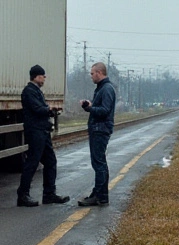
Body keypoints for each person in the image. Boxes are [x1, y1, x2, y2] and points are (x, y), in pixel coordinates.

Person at [17, 64, 70, 207]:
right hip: (35, 132)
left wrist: (49, 110)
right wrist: (48, 109)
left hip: (42, 131)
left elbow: (40, 108)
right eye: (42, 76)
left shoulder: (36, 91)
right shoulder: (29, 91)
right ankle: (22, 195)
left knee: (51, 161)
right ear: (36, 76)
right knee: (32, 162)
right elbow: (36, 109)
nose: (44, 78)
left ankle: (49, 194)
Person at [78, 62, 115, 207]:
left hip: (100, 129)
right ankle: (101, 195)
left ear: (99, 73)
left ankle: (99, 195)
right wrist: (90, 106)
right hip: (99, 128)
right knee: (100, 163)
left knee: (98, 163)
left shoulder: (106, 89)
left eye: (92, 73)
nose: (91, 76)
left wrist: (91, 107)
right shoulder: (103, 88)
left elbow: (104, 110)